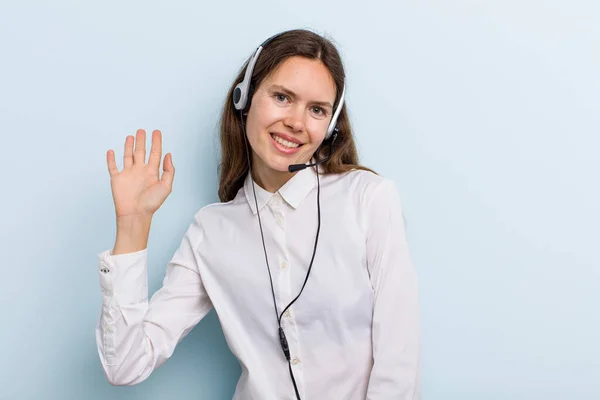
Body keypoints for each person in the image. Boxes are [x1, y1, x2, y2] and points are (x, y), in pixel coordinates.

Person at [96, 29, 421, 400]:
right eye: (282, 97)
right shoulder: (211, 230)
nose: (297, 122)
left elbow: (399, 363)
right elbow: (125, 365)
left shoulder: (369, 199)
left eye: (317, 110)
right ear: (245, 98)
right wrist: (132, 227)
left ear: (330, 125)